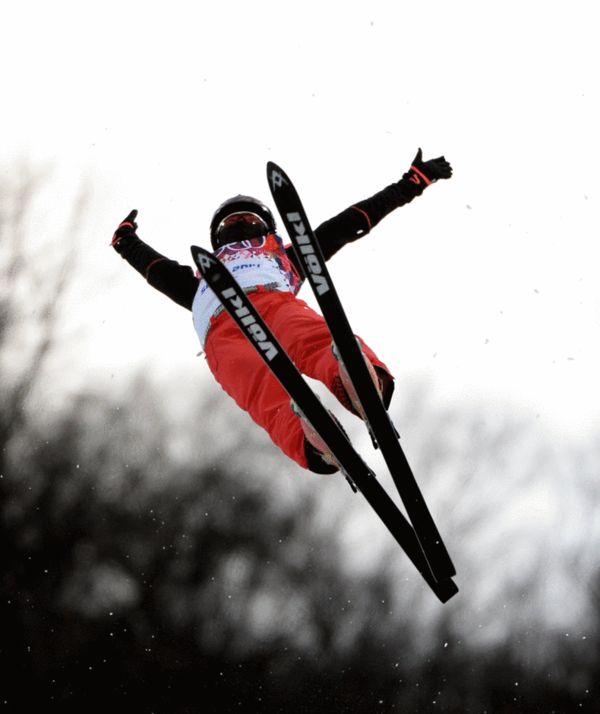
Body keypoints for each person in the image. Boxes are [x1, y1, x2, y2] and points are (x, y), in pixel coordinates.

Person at [111, 149, 452, 475]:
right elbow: (156, 269)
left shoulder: (284, 255)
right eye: (233, 221)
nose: (241, 223)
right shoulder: (201, 277)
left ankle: (353, 375)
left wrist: (411, 184)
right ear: (217, 238)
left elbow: (347, 224)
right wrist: (127, 243)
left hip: (274, 305)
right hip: (221, 333)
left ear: (267, 229)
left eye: (249, 219)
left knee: (312, 338)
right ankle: (310, 435)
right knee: (262, 390)